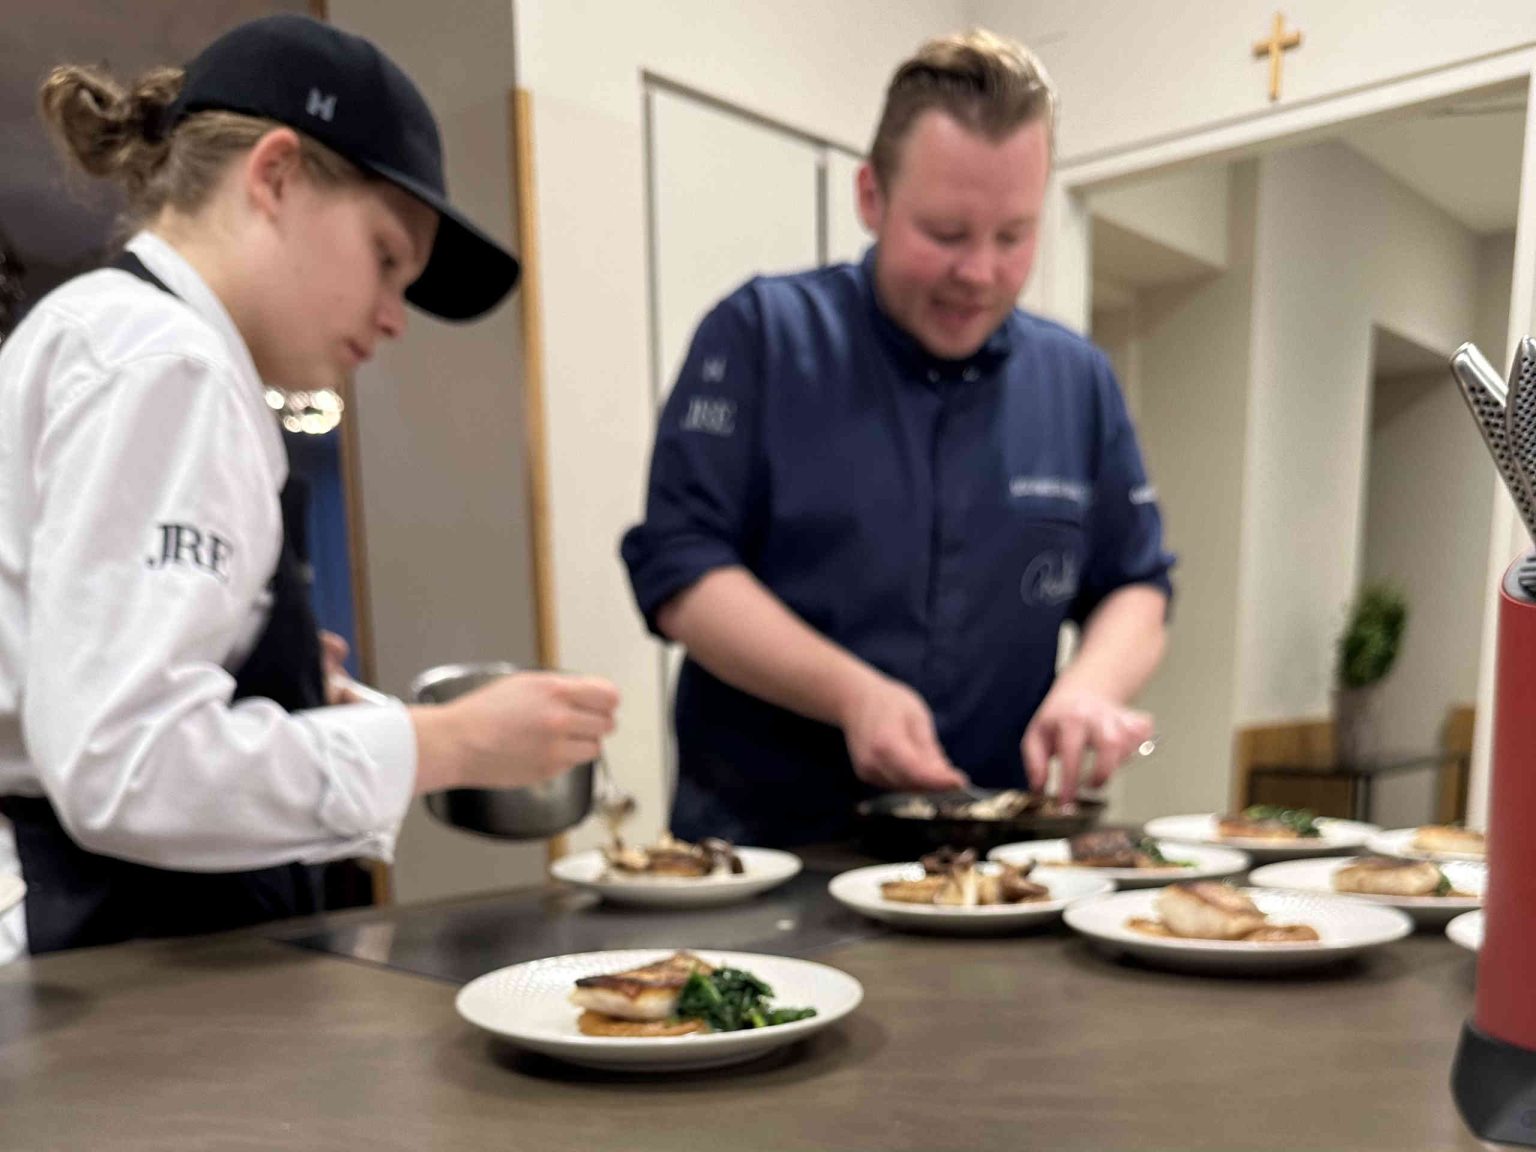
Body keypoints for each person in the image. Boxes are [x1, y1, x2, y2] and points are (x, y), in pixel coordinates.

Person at [0, 14, 619, 955]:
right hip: (113, 947)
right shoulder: (167, 363)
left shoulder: (120, 335)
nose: (395, 317)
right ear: (276, 176)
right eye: (385, 258)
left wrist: (270, 669)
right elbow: (123, 767)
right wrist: (447, 742)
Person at [621, 30, 1173, 848]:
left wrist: (1088, 689)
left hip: (993, 861)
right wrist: (853, 694)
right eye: (947, 234)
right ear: (871, 196)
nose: (980, 272)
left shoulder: (1077, 379)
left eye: (1013, 236)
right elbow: (681, 568)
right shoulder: (762, 336)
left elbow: (1137, 584)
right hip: (768, 847)